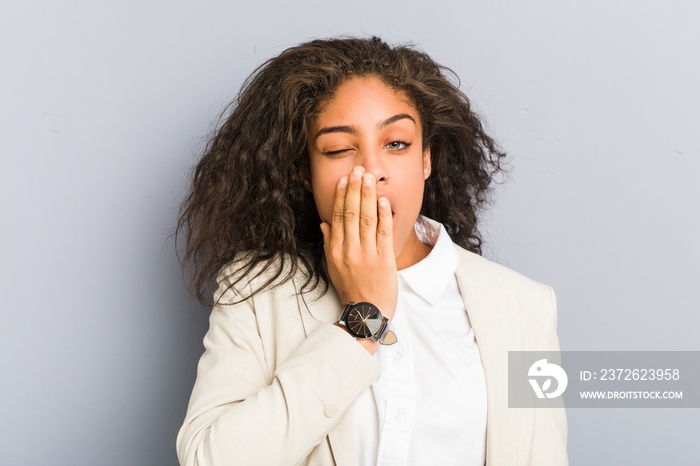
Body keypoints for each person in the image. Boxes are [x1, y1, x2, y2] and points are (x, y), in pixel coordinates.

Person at [175, 36, 568, 466]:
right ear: (307, 174)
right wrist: (364, 316)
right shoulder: (256, 291)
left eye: (396, 144)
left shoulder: (524, 308)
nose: (371, 171)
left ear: (426, 160)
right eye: (340, 149)